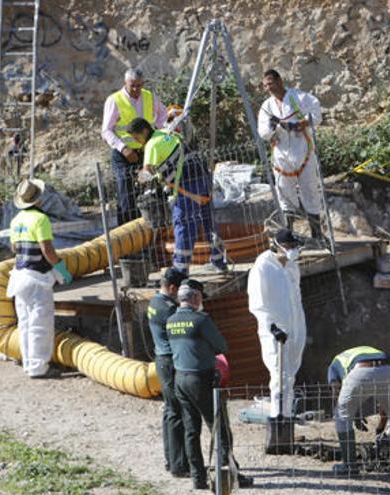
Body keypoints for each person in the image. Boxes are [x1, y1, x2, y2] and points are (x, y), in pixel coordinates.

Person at [167, 279, 252, 490]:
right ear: (195, 297)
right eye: (200, 298)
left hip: (180, 379)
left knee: (191, 430)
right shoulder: (201, 320)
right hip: (200, 379)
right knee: (219, 427)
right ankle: (230, 476)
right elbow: (221, 345)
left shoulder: (170, 321)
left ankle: (198, 478)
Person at [128, 117, 227, 274]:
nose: (136, 141)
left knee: (184, 225)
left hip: (186, 183)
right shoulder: (167, 134)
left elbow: (146, 173)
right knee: (209, 221)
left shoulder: (152, 145)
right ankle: (219, 261)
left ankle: (180, 269)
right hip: (202, 177)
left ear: (144, 131)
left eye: (136, 137)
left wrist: (139, 177)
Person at [6, 178, 72, 379]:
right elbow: (48, 249)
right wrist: (61, 269)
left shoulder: (16, 220)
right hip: (37, 277)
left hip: (19, 277)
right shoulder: (40, 219)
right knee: (40, 324)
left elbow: (14, 248)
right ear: (39, 198)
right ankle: (39, 367)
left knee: (25, 323)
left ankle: (29, 363)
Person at [256, 69, 324, 242]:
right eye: (265, 85)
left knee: (310, 191)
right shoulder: (267, 106)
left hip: (304, 152)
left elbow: (316, 115)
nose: (268, 88)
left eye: (270, 83)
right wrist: (272, 127)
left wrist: (299, 124)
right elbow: (262, 132)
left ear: (279, 81)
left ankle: (317, 234)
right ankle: (289, 235)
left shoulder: (299, 98)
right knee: (285, 193)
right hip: (281, 156)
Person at [328, 346, 390, 477]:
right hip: (388, 370)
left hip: (360, 372)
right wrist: (380, 427)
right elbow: (384, 400)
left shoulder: (334, 364)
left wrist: (341, 412)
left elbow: (336, 389)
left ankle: (349, 466)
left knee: (342, 418)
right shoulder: (374, 351)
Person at [247, 228, 306, 419]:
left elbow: (295, 299)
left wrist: (299, 327)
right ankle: (278, 418)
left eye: (294, 246)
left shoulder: (292, 267)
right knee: (279, 374)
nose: (292, 250)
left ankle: (287, 416)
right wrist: (272, 327)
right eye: (289, 246)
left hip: (295, 328)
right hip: (274, 332)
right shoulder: (262, 267)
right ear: (277, 246)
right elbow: (257, 302)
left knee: (290, 375)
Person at [101, 68, 167, 225]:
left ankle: (149, 231)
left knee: (150, 190)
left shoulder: (149, 97)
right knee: (126, 196)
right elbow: (106, 130)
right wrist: (123, 148)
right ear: (125, 83)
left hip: (146, 153)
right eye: (133, 86)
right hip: (124, 156)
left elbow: (162, 114)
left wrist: (159, 132)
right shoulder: (114, 100)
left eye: (139, 85)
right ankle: (126, 236)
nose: (137, 89)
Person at [147, 268, 189, 478]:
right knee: (177, 413)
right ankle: (179, 465)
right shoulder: (170, 310)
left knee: (169, 411)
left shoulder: (154, 302)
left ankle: (170, 459)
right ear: (172, 288)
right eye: (180, 291)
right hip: (170, 362)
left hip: (161, 360)